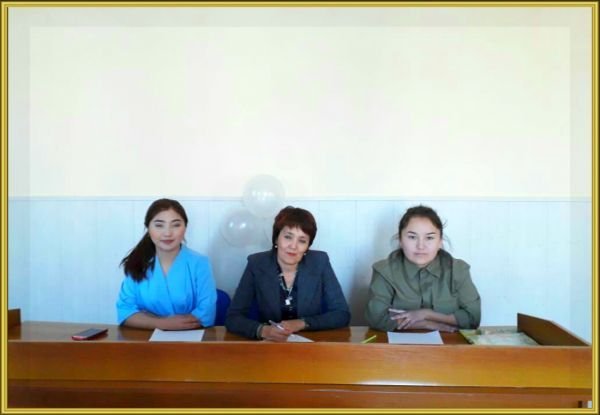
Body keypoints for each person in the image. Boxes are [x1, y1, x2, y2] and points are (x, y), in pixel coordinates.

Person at [225, 206, 351, 341]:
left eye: (302, 241)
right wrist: (263, 330)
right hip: (270, 344)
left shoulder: (320, 262)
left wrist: (302, 323)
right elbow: (233, 317)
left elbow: (342, 314)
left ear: (307, 246)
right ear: (276, 239)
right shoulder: (257, 264)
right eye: (288, 237)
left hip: (309, 344)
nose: (293, 246)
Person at [365, 205, 480, 332]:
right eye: (412, 237)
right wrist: (425, 324)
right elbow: (376, 318)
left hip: (449, 342)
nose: (420, 246)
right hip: (399, 343)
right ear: (400, 240)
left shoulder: (458, 270)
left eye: (429, 238)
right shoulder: (384, 271)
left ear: (440, 241)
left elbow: (473, 318)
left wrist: (427, 314)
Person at [116, 198, 217, 330]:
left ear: (185, 228)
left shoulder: (200, 263)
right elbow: (125, 311)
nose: (168, 233)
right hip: (145, 338)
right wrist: (162, 323)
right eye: (159, 225)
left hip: (190, 338)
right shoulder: (137, 262)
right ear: (148, 228)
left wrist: (146, 318)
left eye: (176, 225)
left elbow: (206, 314)